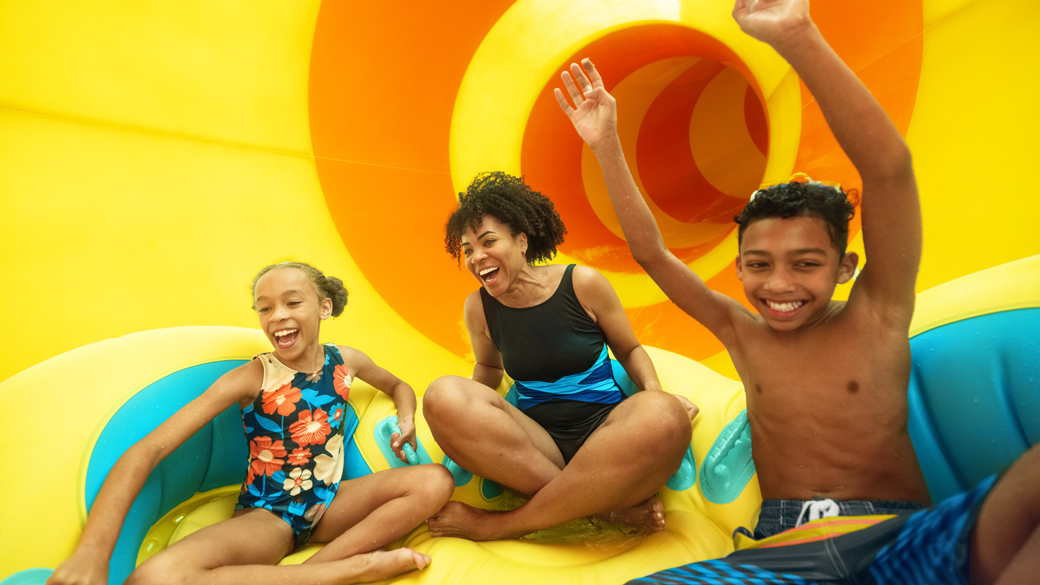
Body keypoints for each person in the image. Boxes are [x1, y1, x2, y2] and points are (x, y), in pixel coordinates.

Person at [556, 0, 1040, 582]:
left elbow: (889, 171)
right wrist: (605, 142)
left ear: (845, 267)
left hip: (892, 535)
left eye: (805, 264)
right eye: (759, 265)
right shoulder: (741, 332)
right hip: (782, 551)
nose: (779, 285)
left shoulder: (877, 315)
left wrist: (796, 35)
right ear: (738, 268)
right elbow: (650, 253)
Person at [48, 261, 455, 585]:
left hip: (331, 505)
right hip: (271, 515)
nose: (277, 316)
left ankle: (313, 573)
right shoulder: (253, 377)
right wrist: (91, 554)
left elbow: (399, 384)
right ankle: (350, 570)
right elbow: (148, 450)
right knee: (156, 578)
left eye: (293, 303)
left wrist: (406, 419)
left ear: (324, 307)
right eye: (265, 307)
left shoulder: (346, 361)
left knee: (435, 480)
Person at [423, 171, 699, 541]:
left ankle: (499, 525)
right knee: (442, 396)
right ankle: (608, 509)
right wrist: (466, 417)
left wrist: (654, 391)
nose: (477, 257)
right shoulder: (479, 308)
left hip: (607, 433)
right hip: (537, 448)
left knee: (665, 414)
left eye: (488, 241)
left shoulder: (582, 284)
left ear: (522, 242)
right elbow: (489, 367)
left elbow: (630, 349)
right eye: (468, 249)